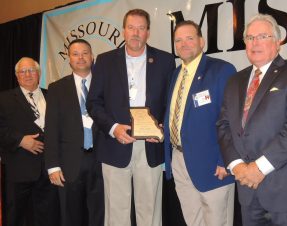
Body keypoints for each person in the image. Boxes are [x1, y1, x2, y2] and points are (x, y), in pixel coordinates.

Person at [86, 8, 175, 226]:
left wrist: (161, 129)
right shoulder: (105, 61)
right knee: (116, 212)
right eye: (131, 27)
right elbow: (93, 103)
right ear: (123, 31)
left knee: (150, 211)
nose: (136, 33)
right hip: (115, 143)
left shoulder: (165, 61)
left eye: (141, 28)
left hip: (150, 146)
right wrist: (113, 127)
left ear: (148, 32)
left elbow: (170, 103)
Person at [217, 13, 287, 226]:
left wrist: (258, 168)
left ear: (277, 42)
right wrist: (237, 166)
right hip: (247, 189)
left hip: (284, 192)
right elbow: (224, 125)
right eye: (250, 38)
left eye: (262, 36)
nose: (255, 43)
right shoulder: (235, 80)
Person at [163, 20, 236, 226]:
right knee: (192, 220)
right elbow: (178, 115)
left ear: (201, 41)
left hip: (213, 164)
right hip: (179, 161)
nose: (183, 44)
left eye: (189, 38)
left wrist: (225, 161)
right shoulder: (176, 74)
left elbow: (232, 119)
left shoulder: (222, 70)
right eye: (178, 40)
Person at [44, 39, 104, 226]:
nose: (80, 57)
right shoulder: (56, 88)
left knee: (100, 214)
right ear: (69, 59)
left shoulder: (105, 84)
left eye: (85, 53)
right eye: (75, 54)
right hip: (69, 164)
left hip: (102, 161)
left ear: (92, 56)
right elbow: (51, 128)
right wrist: (52, 166)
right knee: (71, 216)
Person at [0, 57, 60, 226]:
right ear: (16, 76)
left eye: (31, 70)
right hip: (19, 170)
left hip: (49, 172)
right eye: (22, 71)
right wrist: (20, 140)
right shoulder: (4, 99)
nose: (27, 75)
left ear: (39, 74)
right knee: (16, 217)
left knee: (48, 217)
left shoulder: (52, 95)